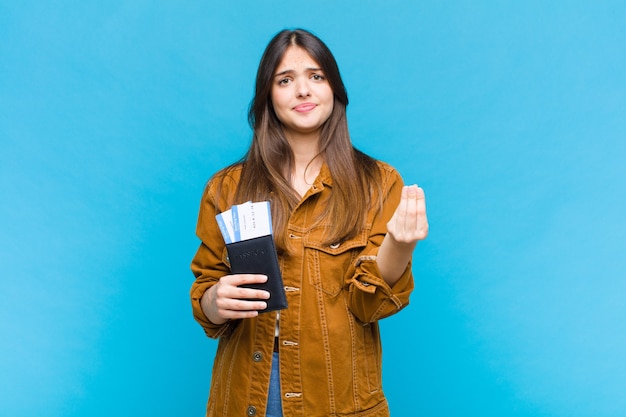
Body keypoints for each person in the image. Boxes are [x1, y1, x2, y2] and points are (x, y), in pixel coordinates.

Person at [190, 28, 428, 417]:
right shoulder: (227, 187)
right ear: (268, 95)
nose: (302, 90)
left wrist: (401, 246)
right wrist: (216, 300)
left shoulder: (378, 183)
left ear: (334, 89)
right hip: (250, 391)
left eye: (315, 76)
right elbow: (205, 295)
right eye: (285, 80)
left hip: (338, 394)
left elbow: (369, 306)